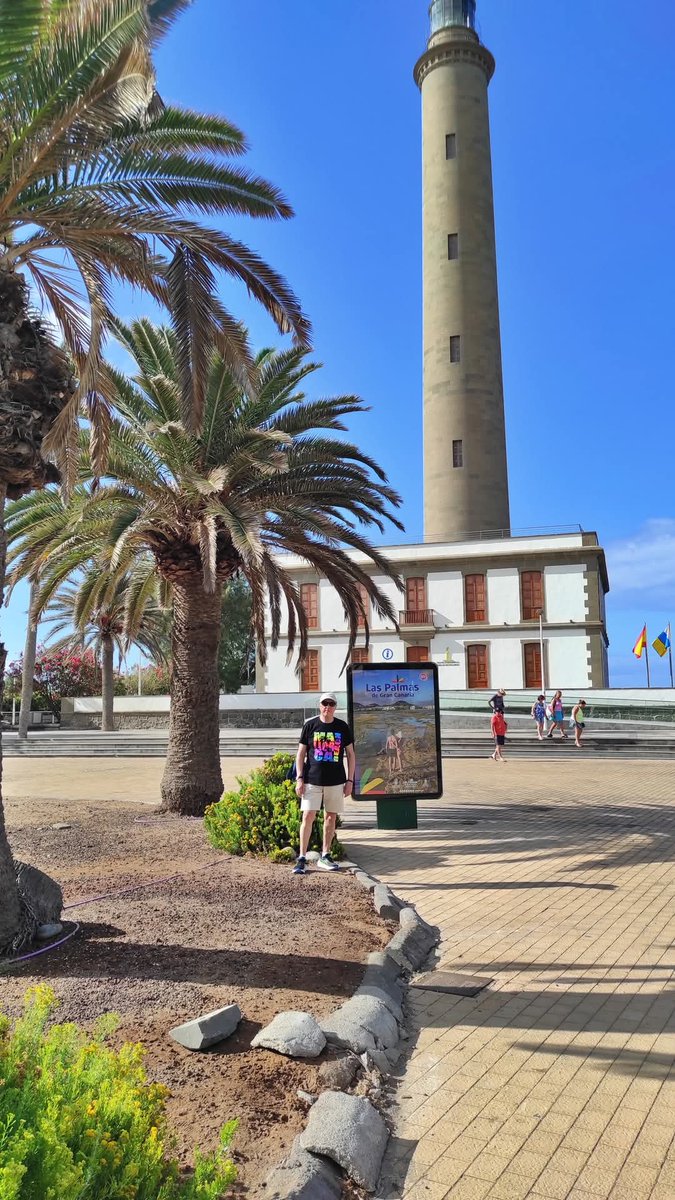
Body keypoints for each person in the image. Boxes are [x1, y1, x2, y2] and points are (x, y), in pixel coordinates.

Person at [292, 692, 355, 875]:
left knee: (330, 817)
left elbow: (351, 754)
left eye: (331, 704)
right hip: (312, 780)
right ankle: (302, 857)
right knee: (308, 816)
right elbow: (301, 754)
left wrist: (350, 780)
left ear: (335, 707)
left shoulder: (342, 727)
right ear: (319, 706)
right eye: (324, 704)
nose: (327, 707)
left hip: (335, 781)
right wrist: (299, 778)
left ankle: (325, 855)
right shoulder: (310, 725)